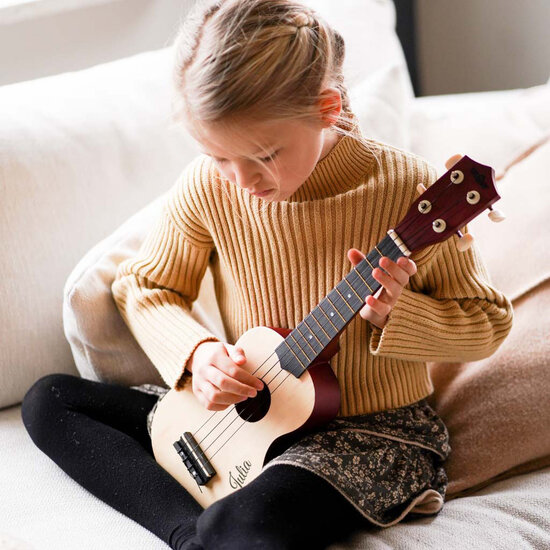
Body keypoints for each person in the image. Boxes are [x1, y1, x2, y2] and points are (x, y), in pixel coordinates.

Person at [21, 1, 514, 549]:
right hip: (248, 413)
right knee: (50, 400)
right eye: (220, 157)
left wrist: (401, 314)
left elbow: (487, 322)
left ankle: (213, 534)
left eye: (264, 155)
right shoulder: (210, 186)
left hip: (366, 434)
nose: (242, 180)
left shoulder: (412, 195)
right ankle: (188, 535)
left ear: (327, 108)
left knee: (240, 527)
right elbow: (145, 285)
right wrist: (198, 355)